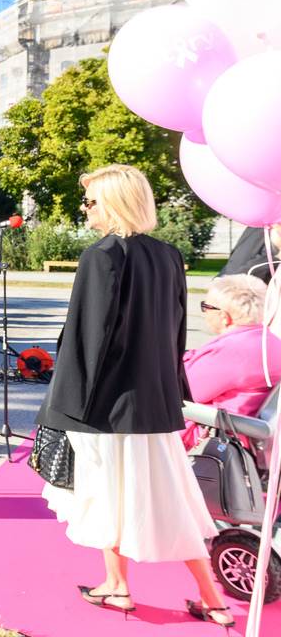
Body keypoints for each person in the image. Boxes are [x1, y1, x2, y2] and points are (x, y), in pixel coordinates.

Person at [35, 164, 231, 626]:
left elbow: (87, 342)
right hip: (154, 404)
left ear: (114, 202)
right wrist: (174, 391)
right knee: (168, 500)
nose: (85, 210)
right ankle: (209, 599)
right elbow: (176, 332)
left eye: (90, 201)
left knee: (107, 497)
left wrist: (62, 407)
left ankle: (120, 587)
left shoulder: (101, 256)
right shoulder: (168, 256)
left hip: (102, 406)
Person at [181, 273, 281, 448]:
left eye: (206, 306)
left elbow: (181, 388)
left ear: (224, 316)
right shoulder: (269, 341)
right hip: (247, 434)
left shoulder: (233, 351)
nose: (204, 312)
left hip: (219, 437)